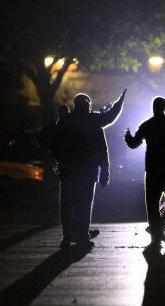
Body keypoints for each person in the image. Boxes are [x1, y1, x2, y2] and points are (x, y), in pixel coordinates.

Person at [50, 93, 117, 249]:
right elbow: (102, 149)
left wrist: (60, 161)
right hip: (88, 171)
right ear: (87, 105)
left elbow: (54, 145)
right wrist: (105, 172)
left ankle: (68, 236)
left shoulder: (65, 122)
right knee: (85, 205)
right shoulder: (93, 121)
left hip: (69, 170)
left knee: (67, 205)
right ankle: (82, 236)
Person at [125, 96, 165, 246]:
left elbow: (133, 144)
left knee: (152, 204)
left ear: (153, 108)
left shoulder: (147, 125)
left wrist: (127, 136)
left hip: (152, 169)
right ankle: (159, 228)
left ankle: (156, 234)